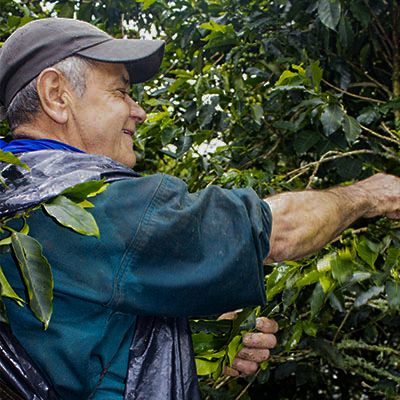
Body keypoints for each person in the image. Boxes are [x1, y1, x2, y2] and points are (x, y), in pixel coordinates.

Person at [0, 17, 399, 400]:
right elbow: (275, 233)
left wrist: (204, 345)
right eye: (120, 92)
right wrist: (371, 194)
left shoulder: (15, 194)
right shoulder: (89, 205)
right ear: (56, 95)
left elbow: (77, 338)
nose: (138, 111)